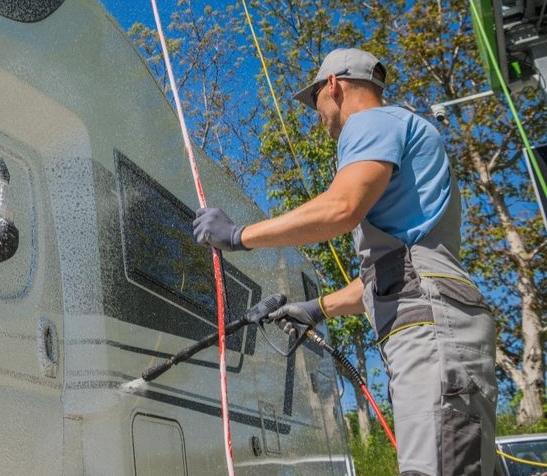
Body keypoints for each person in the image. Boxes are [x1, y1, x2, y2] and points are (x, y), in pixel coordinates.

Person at [193, 48, 496, 475]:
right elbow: (399, 268)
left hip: (432, 328)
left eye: (315, 99)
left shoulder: (372, 122)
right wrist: (316, 309)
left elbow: (341, 207)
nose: (317, 115)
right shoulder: (407, 134)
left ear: (333, 85)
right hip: (442, 320)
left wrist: (237, 236)